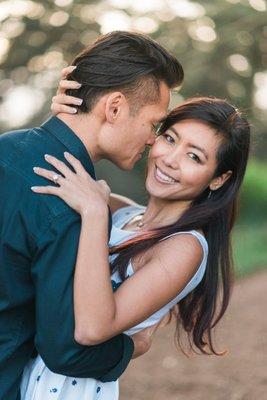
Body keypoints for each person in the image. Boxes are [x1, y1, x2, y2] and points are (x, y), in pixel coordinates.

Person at [20, 94, 250, 399]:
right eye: (169, 138)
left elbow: (92, 328)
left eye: (194, 156)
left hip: (67, 387)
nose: (169, 159)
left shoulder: (184, 246)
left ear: (219, 179)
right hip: (27, 366)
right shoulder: (123, 212)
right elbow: (48, 173)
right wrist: (68, 115)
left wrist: (94, 214)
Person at [0, 31, 184, 400]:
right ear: (114, 107)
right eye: (153, 123)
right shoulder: (69, 202)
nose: (153, 141)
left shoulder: (7, 145)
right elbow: (65, 350)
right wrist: (134, 345)